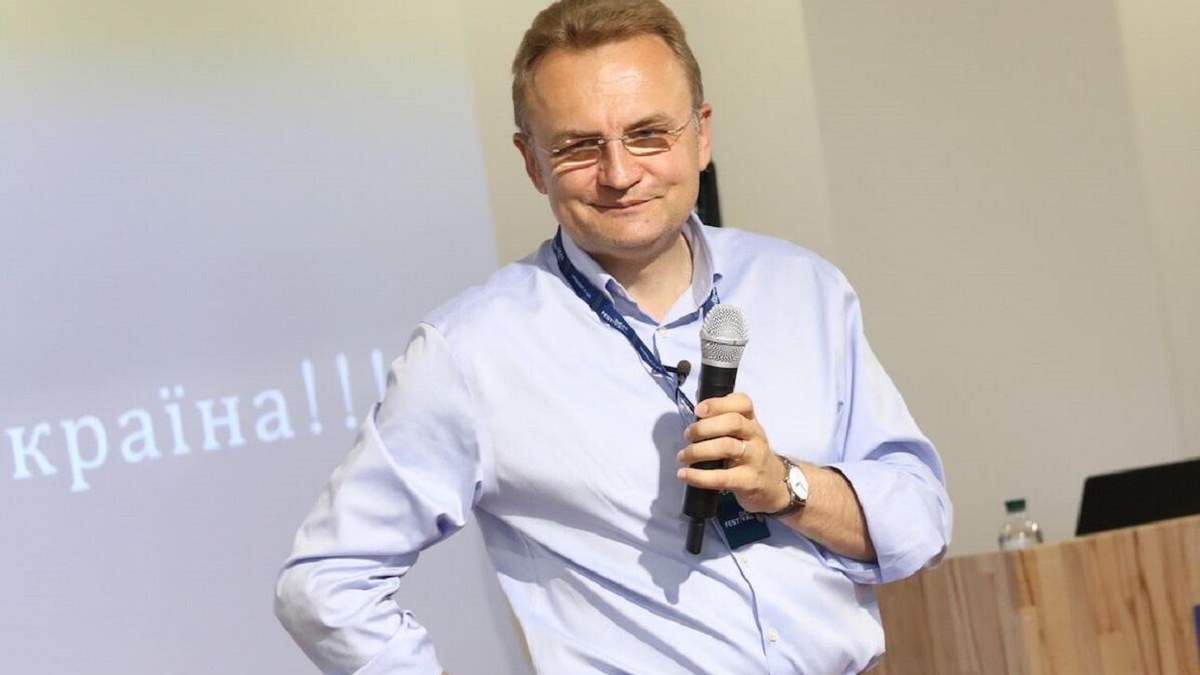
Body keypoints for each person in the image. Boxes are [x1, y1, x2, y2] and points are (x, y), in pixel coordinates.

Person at [274, 1, 952, 673]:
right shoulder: (471, 351)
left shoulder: (804, 288)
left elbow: (919, 521)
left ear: (701, 135)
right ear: (532, 163)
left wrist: (787, 485)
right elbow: (324, 584)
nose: (620, 174)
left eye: (648, 134)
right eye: (578, 146)